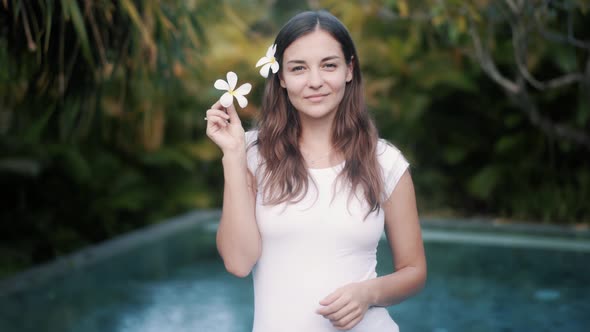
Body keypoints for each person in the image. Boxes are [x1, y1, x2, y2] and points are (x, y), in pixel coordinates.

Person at [205, 10, 426, 332]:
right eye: (298, 68)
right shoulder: (251, 154)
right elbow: (238, 262)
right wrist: (233, 156)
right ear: (280, 77)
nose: (315, 82)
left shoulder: (385, 161)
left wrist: (368, 293)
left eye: (329, 65)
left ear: (349, 70)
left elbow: (414, 270)